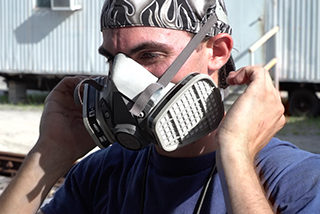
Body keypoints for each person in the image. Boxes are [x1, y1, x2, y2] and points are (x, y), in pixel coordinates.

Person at [1, 0, 320, 213]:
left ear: (217, 52)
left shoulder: (297, 179)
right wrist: (50, 153)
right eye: (113, 60)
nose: (122, 80)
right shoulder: (100, 174)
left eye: (150, 55)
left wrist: (235, 153)